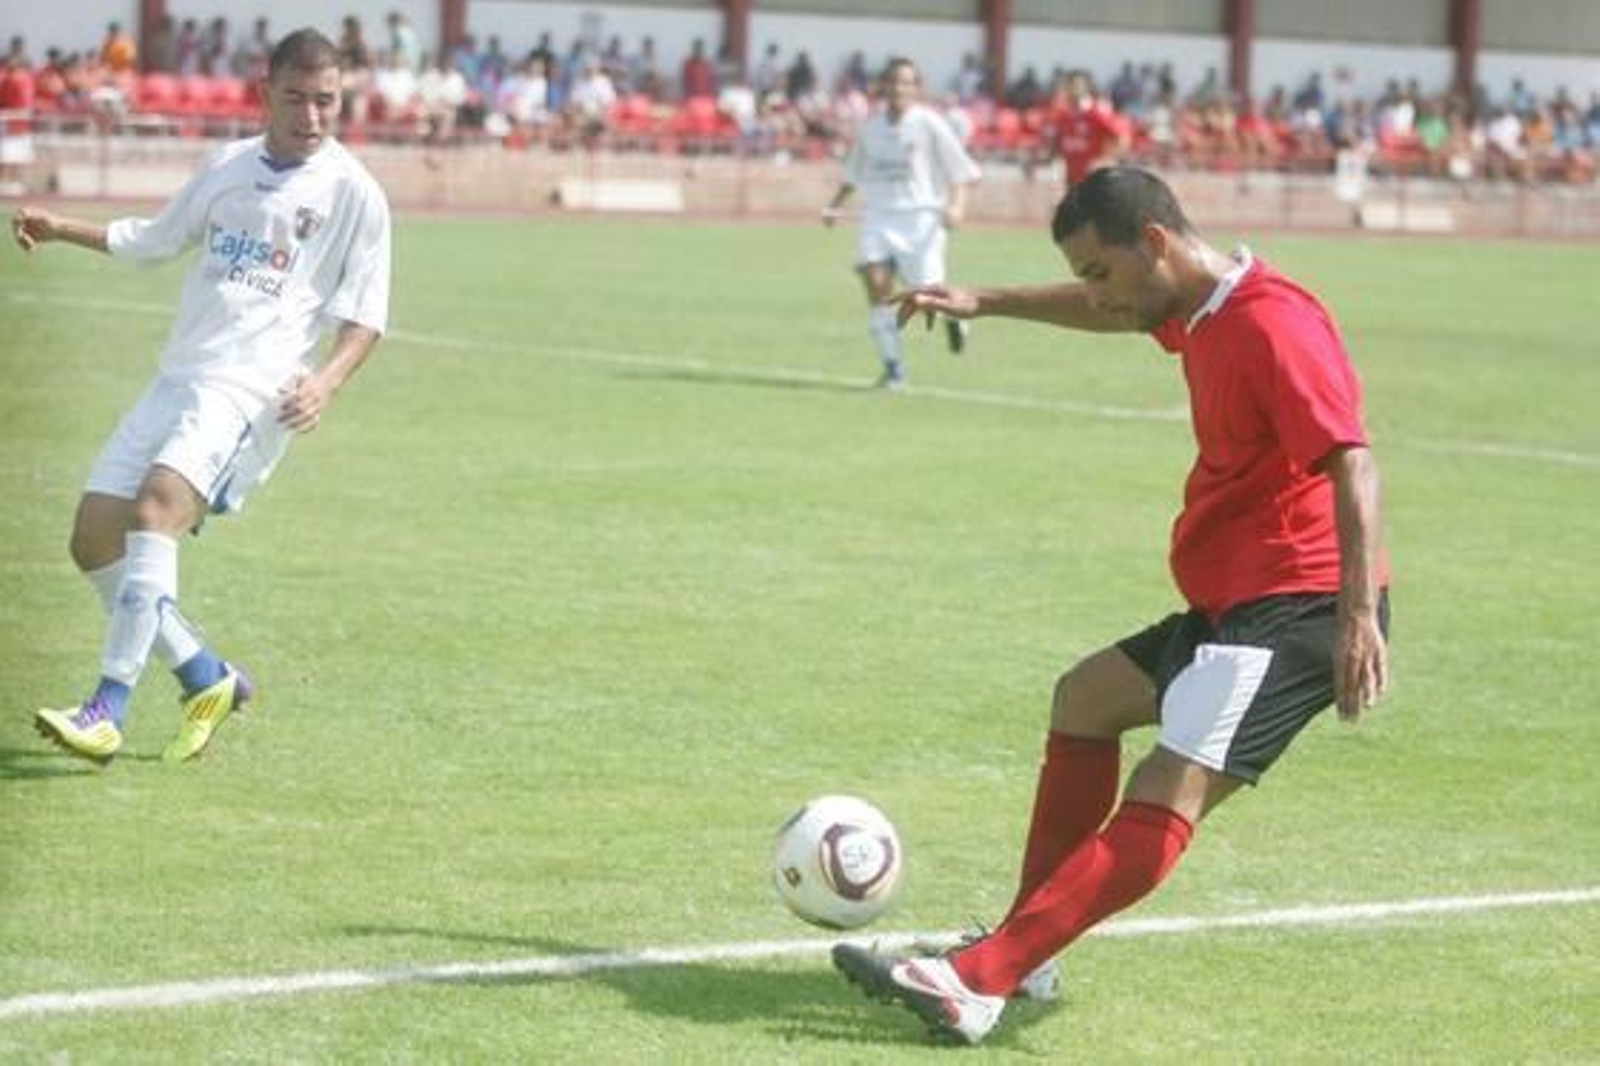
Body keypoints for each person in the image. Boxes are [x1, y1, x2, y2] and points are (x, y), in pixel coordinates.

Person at [831, 166, 1390, 1044]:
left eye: (1100, 271)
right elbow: (1104, 309)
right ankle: (1025, 956)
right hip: (1236, 599)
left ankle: (980, 979)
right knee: (1084, 699)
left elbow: (1352, 461)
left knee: (1170, 784)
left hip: (1300, 606)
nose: (1095, 293)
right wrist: (983, 299)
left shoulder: (1273, 324)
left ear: (1154, 243)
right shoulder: (1195, 308)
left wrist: (1358, 617)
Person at [14, 27, 391, 766]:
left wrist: (326, 382)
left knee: (156, 510)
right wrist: (62, 228)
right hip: (179, 375)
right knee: (93, 537)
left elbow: (368, 314)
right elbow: (155, 239)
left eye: (327, 102)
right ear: (265, 95)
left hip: (252, 392)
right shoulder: (225, 166)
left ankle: (107, 710)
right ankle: (202, 675)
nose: (312, 117)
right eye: (297, 99)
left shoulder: (355, 192)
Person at [822, 57, 981, 389]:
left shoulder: (929, 123)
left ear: (917, 89)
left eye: (907, 83)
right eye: (893, 82)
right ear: (883, 86)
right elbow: (854, 172)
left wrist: (957, 208)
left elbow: (961, 171)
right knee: (876, 283)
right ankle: (894, 369)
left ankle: (954, 320)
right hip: (878, 218)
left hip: (921, 220)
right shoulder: (872, 126)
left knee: (928, 295)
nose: (899, 88)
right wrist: (834, 206)